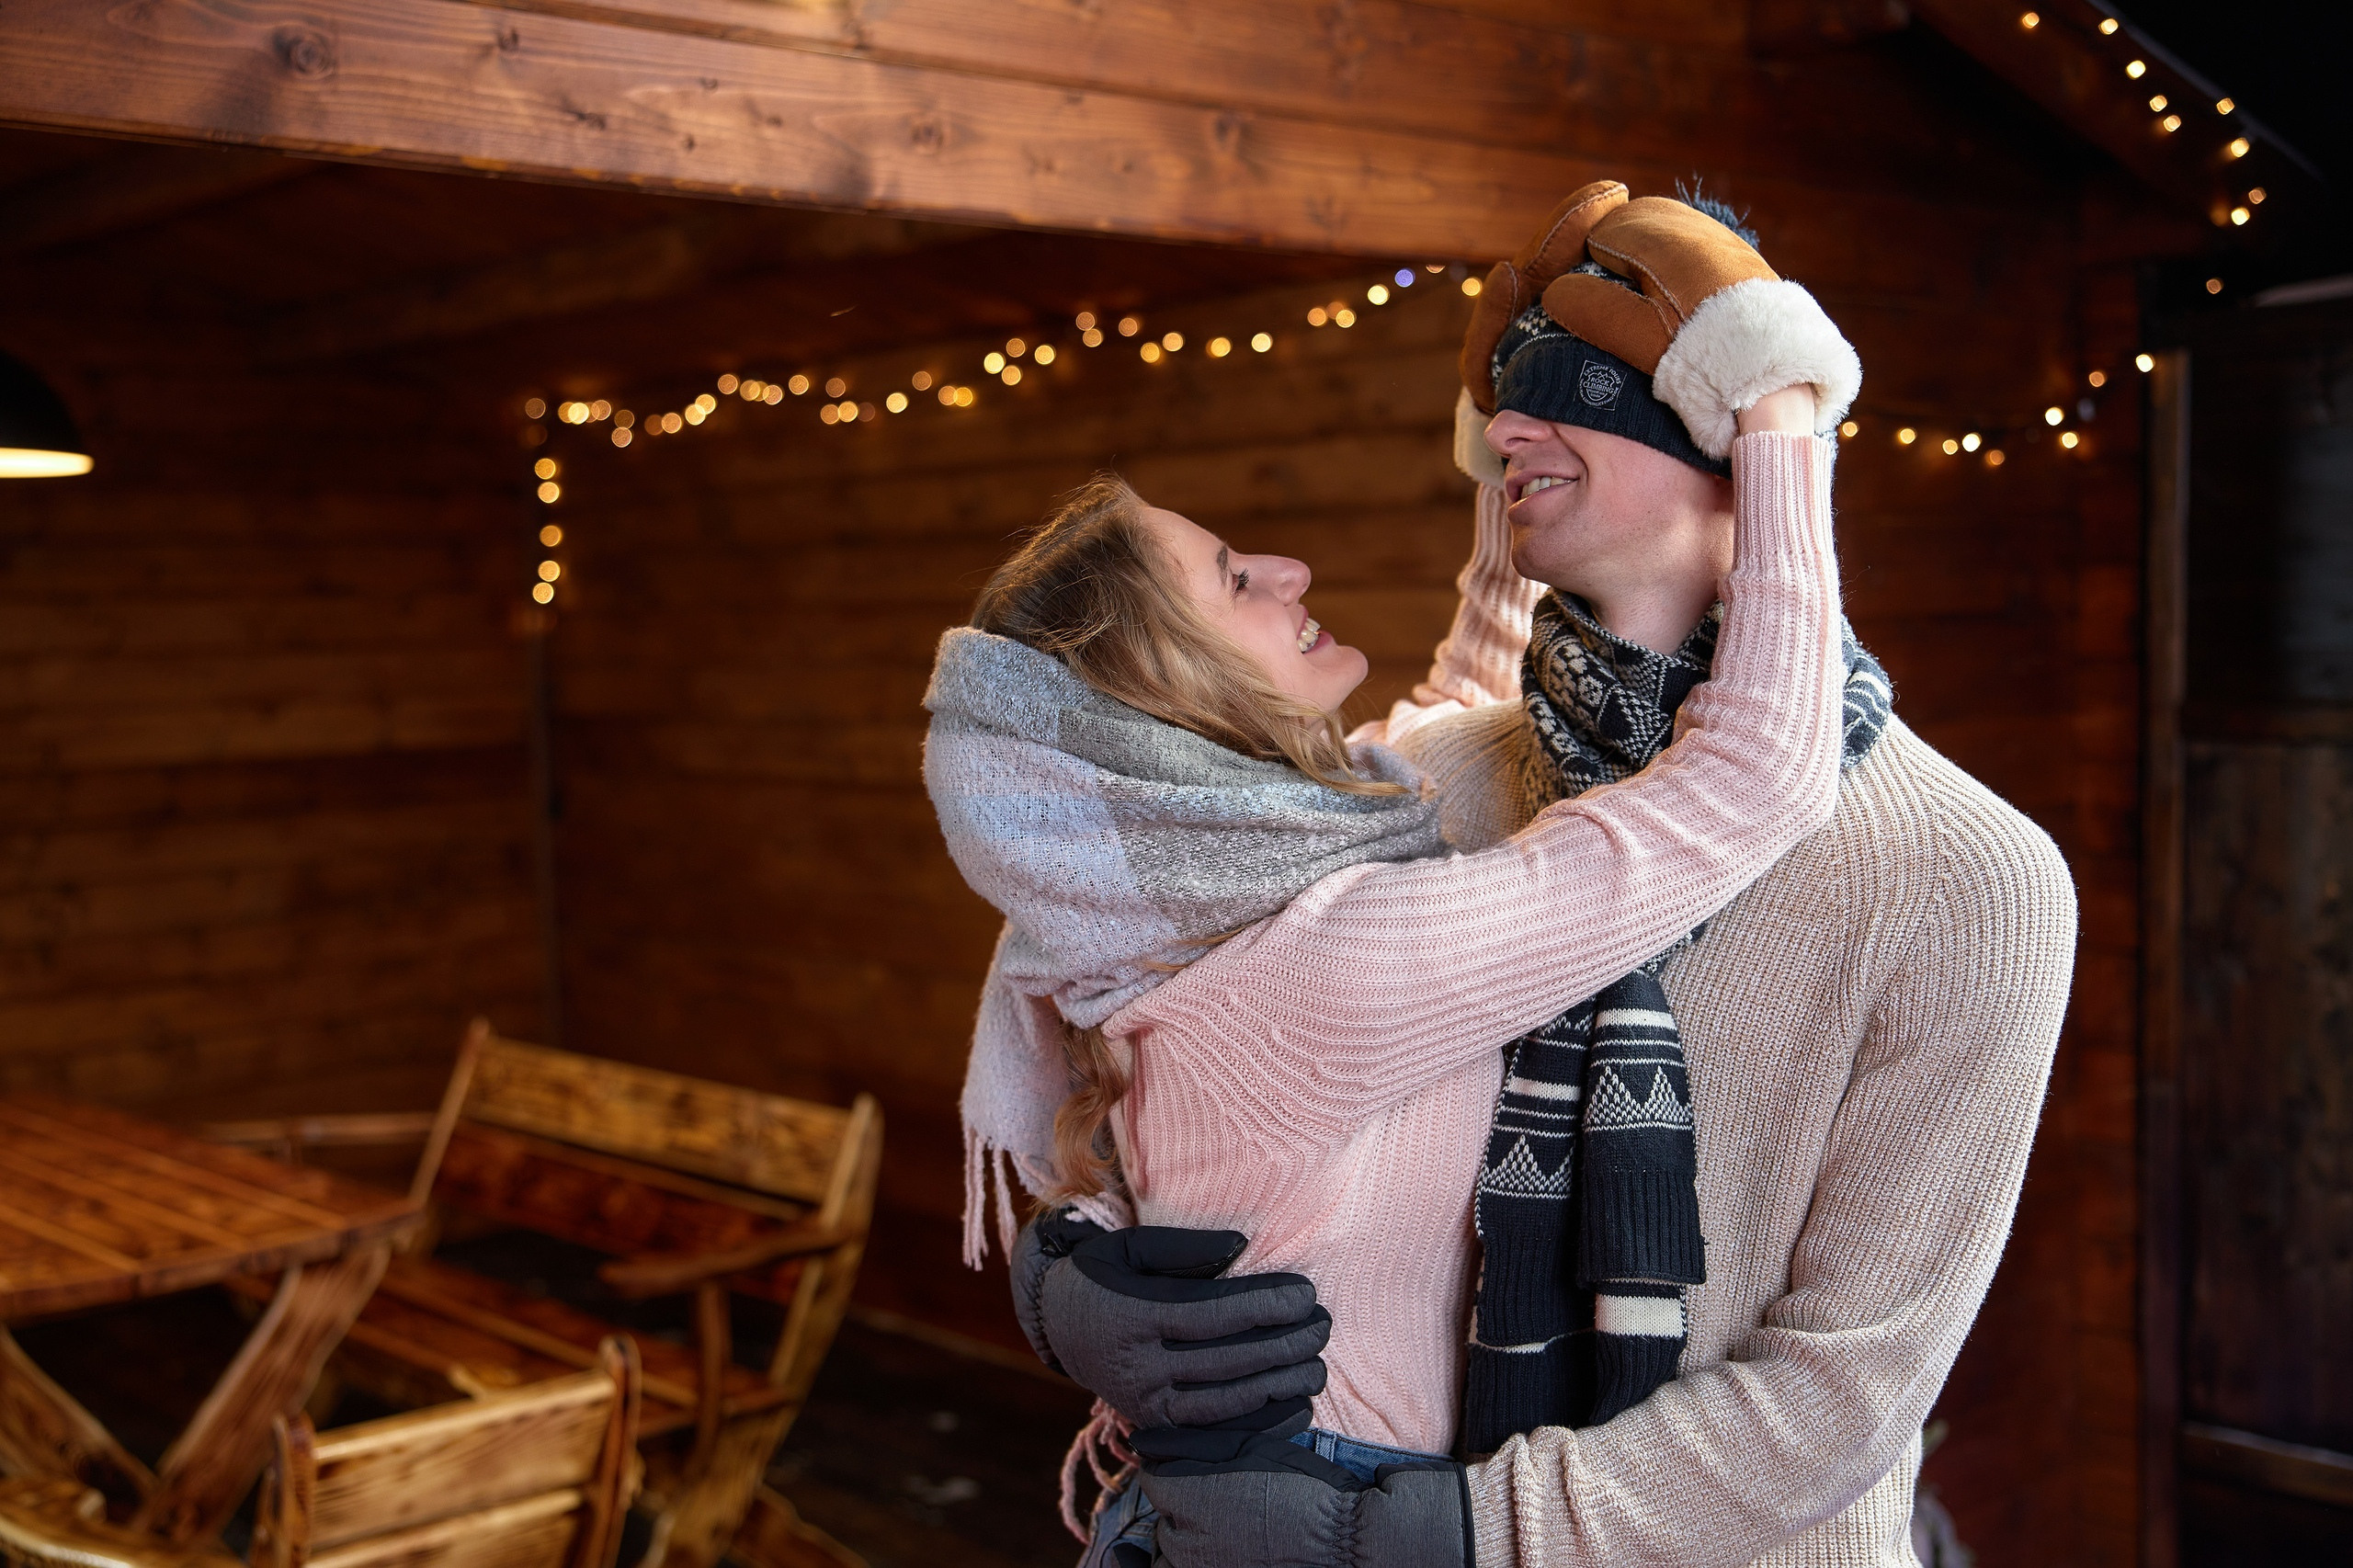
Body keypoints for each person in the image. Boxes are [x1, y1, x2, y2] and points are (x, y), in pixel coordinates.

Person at [1017, 182, 2080, 1568]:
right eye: (1504, 399)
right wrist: (1075, 1264)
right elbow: (1163, 982)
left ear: (1727, 413)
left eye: (1573, 386)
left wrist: (1455, 1532)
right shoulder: (1442, 776)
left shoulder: (1970, 879)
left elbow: (1847, 1389)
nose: (1507, 430)